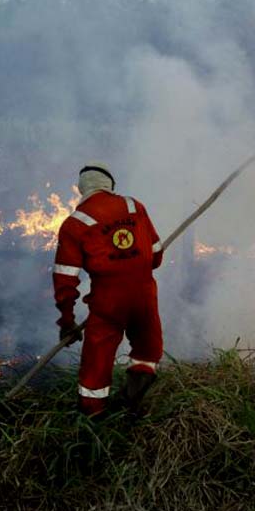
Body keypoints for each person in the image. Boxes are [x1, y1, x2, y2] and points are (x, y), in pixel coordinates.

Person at [51, 162, 164, 416]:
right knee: (147, 351)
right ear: (110, 185)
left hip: (107, 303)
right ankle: (132, 404)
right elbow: (156, 256)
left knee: (96, 364)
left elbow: (65, 277)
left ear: (82, 190)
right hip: (144, 298)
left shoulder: (74, 224)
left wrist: (67, 321)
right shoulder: (135, 206)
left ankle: (93, 418)